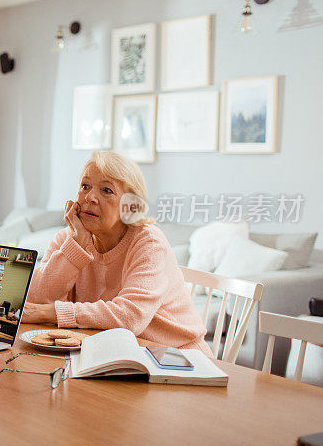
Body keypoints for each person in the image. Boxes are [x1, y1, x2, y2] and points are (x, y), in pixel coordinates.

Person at [22, 150, 210, 354]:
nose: (90, 197)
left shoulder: (149, 242)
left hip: (176, 356)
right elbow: (34, 301)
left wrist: (54, 313)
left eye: (106, 190)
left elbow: (130, 317)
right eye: (85, 186)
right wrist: (76, 245)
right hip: (109, 350)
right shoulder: (68, 238)